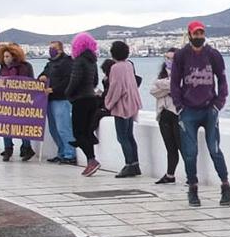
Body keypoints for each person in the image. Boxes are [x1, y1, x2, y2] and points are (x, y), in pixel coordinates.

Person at [167, 21, 230, 207]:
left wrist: (218, 104)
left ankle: (226, 185)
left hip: (209, 109)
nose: (199, 37)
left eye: (201, 33)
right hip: (188, 111)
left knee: (214, 149)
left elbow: (222, 80)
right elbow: (174, 83)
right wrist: (179, 106)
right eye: (195, 34)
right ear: (189, 35)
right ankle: (193, 188)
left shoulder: (213, 55)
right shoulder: (181, 56)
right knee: (190, 153)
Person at [0, 30, 39, 160]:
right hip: (6, 101)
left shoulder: (25, 66)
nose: (5, 59)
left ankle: (27, 148)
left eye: (7, 56)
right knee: (5, 126)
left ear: (14, 56)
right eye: (4, 57)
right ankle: (8, 149)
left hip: (21, 101)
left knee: (22, 126)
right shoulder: (3, 67)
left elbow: (31, 83)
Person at [103, 40, 143, 177]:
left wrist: (108, 103)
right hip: (132, 103)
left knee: (122, 137)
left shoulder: (115, 68)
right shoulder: (129, 65)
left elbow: (116, 88)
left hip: (122, 105)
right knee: (130, 136)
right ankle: (135, 164)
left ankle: (129, 164)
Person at [67, 32, 103, 176]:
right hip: (91, 99)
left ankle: (92, 160)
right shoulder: (92, 61)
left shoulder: (79, 61)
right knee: (87, 132)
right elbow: (95, 81)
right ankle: (90, 162)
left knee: (78, 133)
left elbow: (74, 81)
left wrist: (68, 94)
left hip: (80, 100)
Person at [40, 40, 76, 163]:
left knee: (63, 128)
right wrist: (42, 77)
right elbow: (44, 73)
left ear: (60, 49)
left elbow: (67, 81)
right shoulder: (50, 64)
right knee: (53, 129)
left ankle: (70, 153)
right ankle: (61, 152)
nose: (51, 50)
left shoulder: (67, 62)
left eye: (53, 48)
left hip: (62, 99)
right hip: (50, 100)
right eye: (50, 48)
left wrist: (54, 89)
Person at [150, 50, 183, 184]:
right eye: (167, 58)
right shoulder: (162, 75)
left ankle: (191, 175)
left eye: (172, 58)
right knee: (170, 147)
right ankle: (170, 175)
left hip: (177, 114)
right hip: (163, 114)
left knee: (182, 146)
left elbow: (179, 87)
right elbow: (153, 90)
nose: (169, 61)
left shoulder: (183, 74)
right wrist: (169, 87)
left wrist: (163, 85)